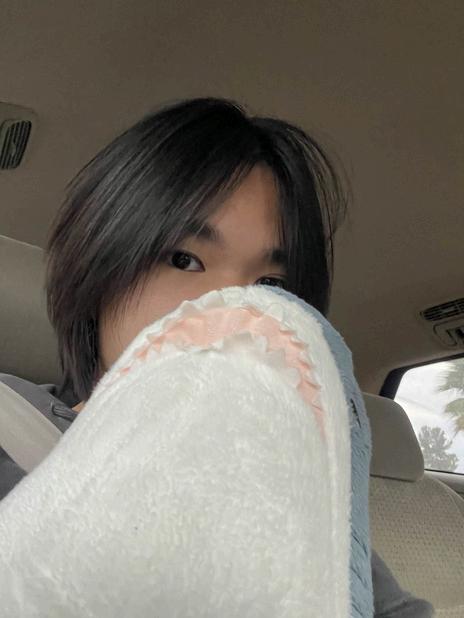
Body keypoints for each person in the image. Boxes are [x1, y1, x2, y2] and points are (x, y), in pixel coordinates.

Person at [0, 97, 433, 616]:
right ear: (100, 267)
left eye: (271, 286)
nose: (231, 309)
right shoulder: (8, 425)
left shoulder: (294, 485)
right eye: (184, 260)